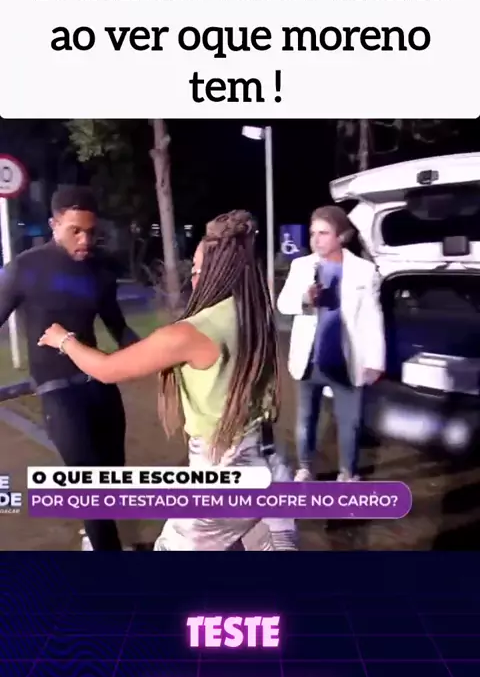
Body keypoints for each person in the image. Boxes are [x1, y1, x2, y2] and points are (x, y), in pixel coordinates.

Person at [38, 210, 298, 551]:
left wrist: (64, 340)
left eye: (197, 270)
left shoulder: (191, 334)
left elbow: (107, 369)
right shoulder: (252, 314)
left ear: (216, 273)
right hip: (270, 460)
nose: (194, 278)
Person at [0, 186, 139, 550]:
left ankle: (96, 540)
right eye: (75, 231)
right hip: (57, 390)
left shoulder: (101, 270)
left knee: (113, 479)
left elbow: (118, 326)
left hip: (100, 382)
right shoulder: (24, 268)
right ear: (54, 224)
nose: (85, 240)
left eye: (91, 232)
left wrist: (154, 353)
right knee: (89, 485)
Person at [277, 205, 385, 483]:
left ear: (342, 237)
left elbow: (372, 318)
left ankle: (347, 474)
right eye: (313, 233)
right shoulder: (301, 266)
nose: (316, 240)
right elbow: (283, 304)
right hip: (308, 360)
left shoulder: (364, 271)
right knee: (305, 419)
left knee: (350, 422)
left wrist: (375, 361)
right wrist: (305, 300)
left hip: (347, 360)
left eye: (323, 233)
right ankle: (305, 468)